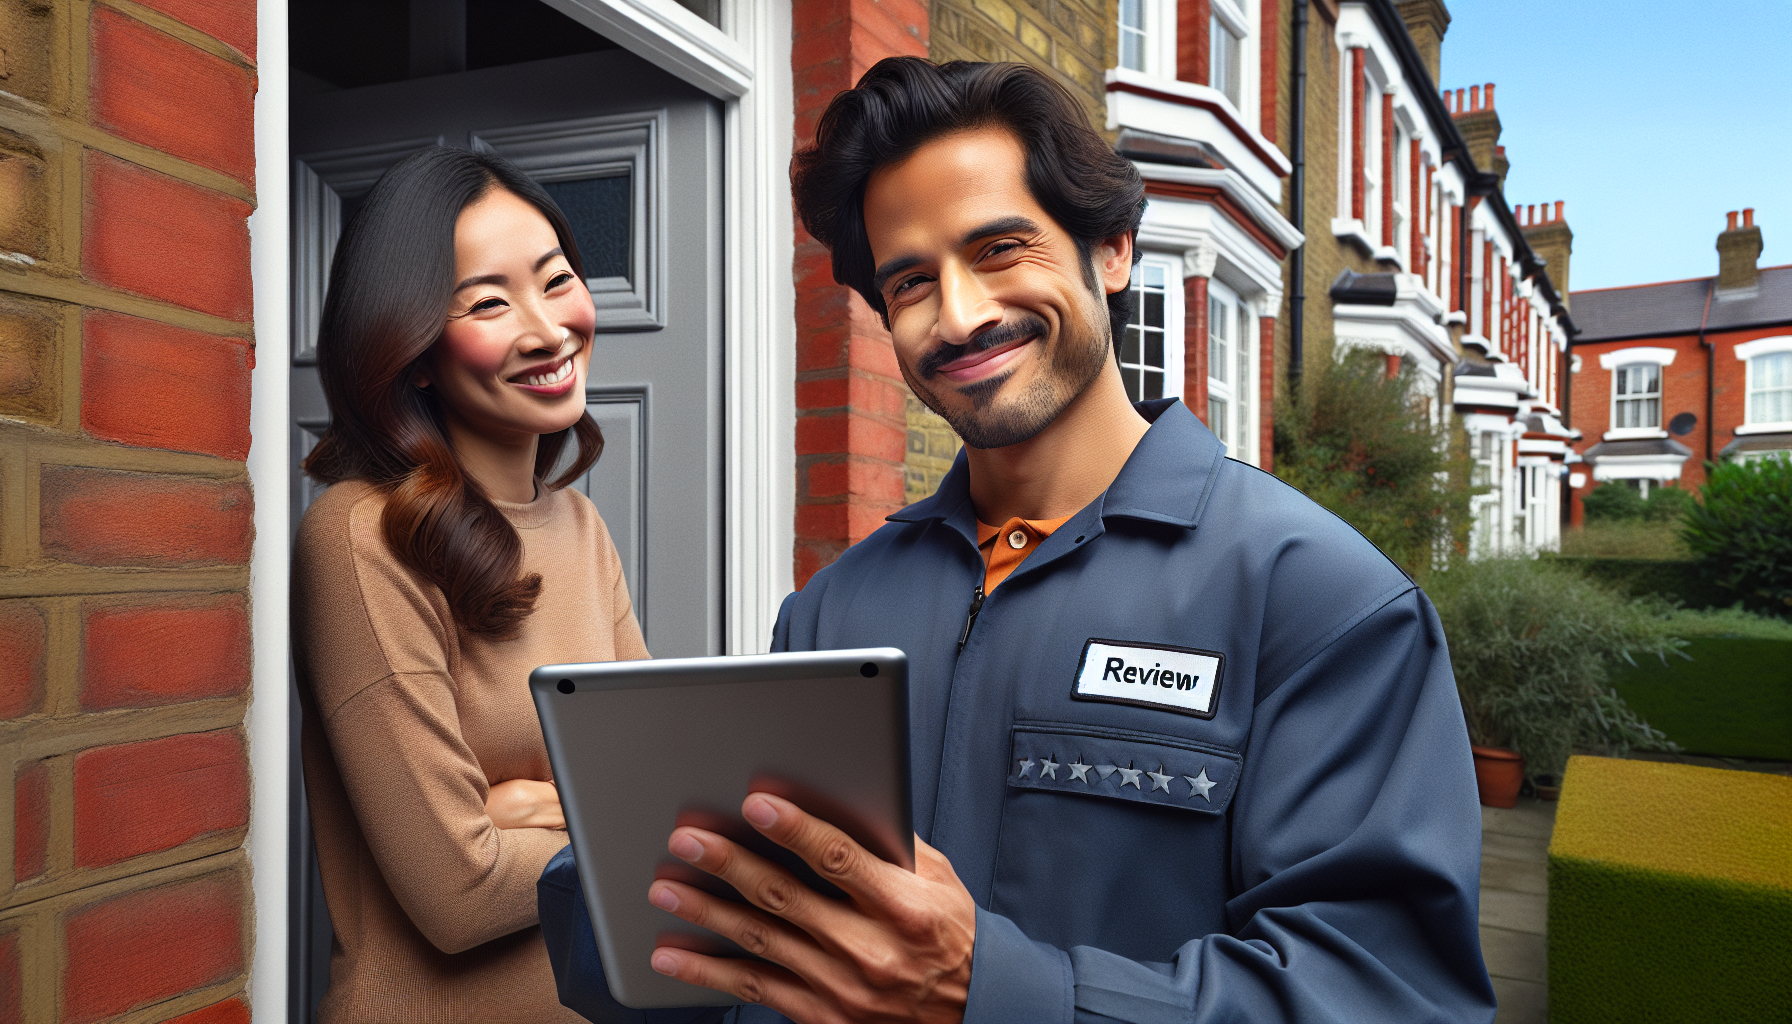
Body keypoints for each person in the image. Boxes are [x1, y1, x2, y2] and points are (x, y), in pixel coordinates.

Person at [542, 58, 1493, 1023]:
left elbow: (1390, 996)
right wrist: (606, 870)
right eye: (911, 281)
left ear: (1112, 247)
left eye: (1000, 249)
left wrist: (989, 994)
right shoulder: (834, 608)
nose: (959, 315)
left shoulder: (1323, 602)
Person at [294, 146, 644, 1023]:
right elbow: (459, 893)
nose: (546, 329)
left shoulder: (578, 528)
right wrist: (612, 818)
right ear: (411, 351)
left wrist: (536, 808)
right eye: (488, 302)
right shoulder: (361, 533)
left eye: (556, 279)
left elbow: (658, 787)